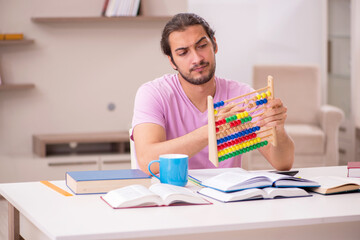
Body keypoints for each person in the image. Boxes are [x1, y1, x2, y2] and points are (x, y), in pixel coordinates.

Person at [132, 13, 294, 174]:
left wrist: (278, 130)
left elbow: (283, 164)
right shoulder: (153, 94)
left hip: (228, 195)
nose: (196, 59)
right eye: (183, 53)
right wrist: (211, 130)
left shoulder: (243, 96)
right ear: (171, 61)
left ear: (214, 45)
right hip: (174, 192)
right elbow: (148, 161)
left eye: (202, 46)